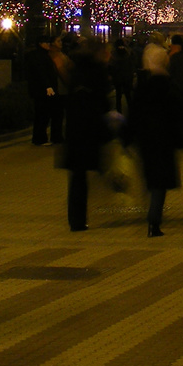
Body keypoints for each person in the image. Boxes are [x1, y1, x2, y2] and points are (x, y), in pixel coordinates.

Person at [126, 42, 183, 236]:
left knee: (150, 178)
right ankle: (154, 220)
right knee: (159, 182)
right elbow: (178, 113)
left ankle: (150, 213)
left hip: (145, 139)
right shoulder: (169, 86)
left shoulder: (143, 87)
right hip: (163, 139)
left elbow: (133, 114)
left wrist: (128, 137)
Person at [58, 41, 113, 231]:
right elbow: (102, 101)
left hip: (75, 129)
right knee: (91, 171)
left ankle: (76, 219)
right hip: (91, 128)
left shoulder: (75, 69)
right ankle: (80, 218)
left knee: (77, 177)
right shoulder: (97, 71)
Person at [24, 34, 67, 147]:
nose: (48, 45)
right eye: (46, 43)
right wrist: (48, 86)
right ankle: (40, 138)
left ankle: (43, 137)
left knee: (45, 114)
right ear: (40, 44)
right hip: (42, 90)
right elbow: (41, 73)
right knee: (43, 114)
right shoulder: (39, 56)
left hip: (43, 89)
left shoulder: (42, 55)